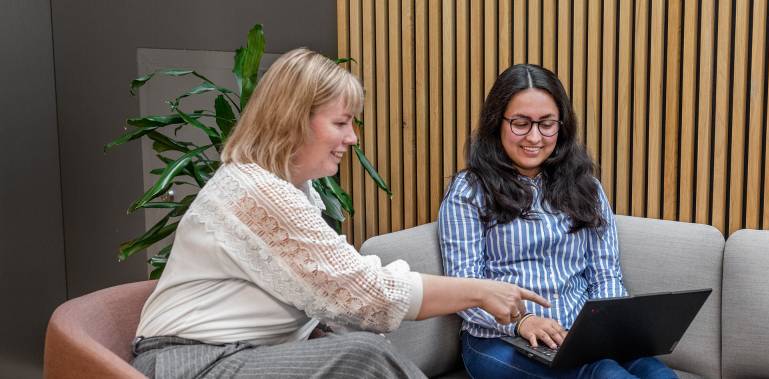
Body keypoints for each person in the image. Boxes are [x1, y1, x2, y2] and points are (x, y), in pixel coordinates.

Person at [132, 48, 548, 379]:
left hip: (244, 356)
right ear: (293, 122)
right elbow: (365, 293)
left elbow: (338, 284)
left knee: (360, 346)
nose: (352, 137)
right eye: (341, 122)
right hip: (191, 365)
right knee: (362, 356)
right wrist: (481, 291)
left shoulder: (291, 189)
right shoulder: (255, 192)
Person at [438, 63, 678, 378]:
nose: (534, 137)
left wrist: (610, 328)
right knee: (606, 374)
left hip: (580, 335)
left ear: (561, 126)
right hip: (502, 339)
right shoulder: (468, 191)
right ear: (497, 123)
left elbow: (605, 275)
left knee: (661, 375)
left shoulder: (585, 186)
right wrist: (520, 321)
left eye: (546, 124)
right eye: (521, 123)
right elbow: (463, 288)